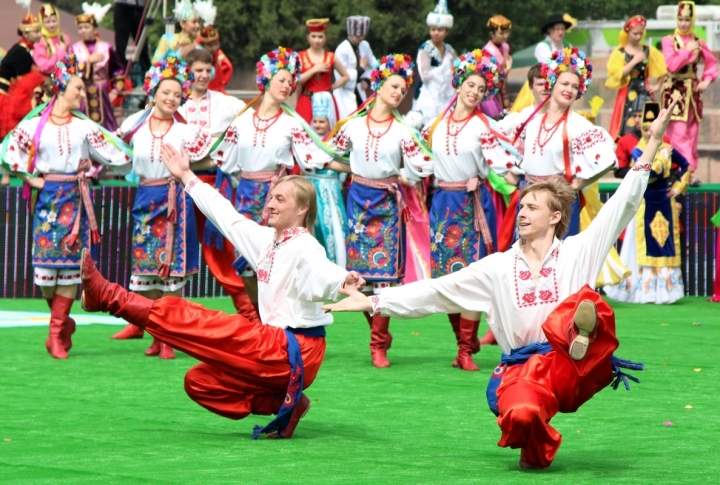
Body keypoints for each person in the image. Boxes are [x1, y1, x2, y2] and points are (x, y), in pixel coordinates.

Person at [324, 97, 678, 470]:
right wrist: (372, 302)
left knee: (590, 307)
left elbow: (622, 203)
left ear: (555, 216)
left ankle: (581, 336)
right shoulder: (497, 267)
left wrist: (651, 142)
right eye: (521, 207)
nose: (522, 212)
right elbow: (436, 291)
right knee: (523, 414)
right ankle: (533, 450)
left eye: (532, 207)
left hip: (569, 368)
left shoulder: (579, 250)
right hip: (521, 370)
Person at [80, 171, 365, 439]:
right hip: (275, 351)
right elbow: (224, 215)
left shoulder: (306, 247)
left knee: (204, 322)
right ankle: (285, 403)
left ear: (302, 209)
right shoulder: (268, 240)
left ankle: (107, 296)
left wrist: (342, 280)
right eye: (272, 197)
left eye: (280, 199)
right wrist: (186, 176)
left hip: (295, 349)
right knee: (199, 381)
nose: (271, 204)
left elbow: (321, 270)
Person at [0, 54, 132, 359]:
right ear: (60, 88)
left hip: (75, 200)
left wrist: (92, 170)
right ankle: (64, 322)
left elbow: (118, 156)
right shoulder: (35, 124)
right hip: (47, 201)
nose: (82, 94)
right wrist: (28, 178)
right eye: (77, 88)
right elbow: (7, 151)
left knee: (72, 269)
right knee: (46, 272)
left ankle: (55, 334)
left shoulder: (85, 128)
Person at [324, 53, 434, 368]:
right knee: (360, 278)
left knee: (385, 278)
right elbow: (329, 155)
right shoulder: (354, 126)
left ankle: (377, 347)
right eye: (394, 86)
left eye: (403, 89)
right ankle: (378, 332)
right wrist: (352, 170)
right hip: (357, 201)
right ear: (378, 86)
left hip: (386, 204)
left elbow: (422, 167)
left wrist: (403, 177)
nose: (399, 93)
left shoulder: (403, 132)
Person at [211, 47, 334, 318]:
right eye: (281, 79)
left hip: (277, 196)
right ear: (266, 80)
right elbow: (222, 160)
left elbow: (318, 157)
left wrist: (353, 165)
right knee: (245, 262)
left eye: (291, 82)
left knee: (278, 259)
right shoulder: (241, 122)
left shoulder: (292, 124)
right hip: (245, 194)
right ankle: (259, 319)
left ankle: (280, 318)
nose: (287, 85)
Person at [423, 49, 522, 370]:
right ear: (458, 84)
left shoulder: (484, 125)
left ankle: (466, 350)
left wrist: (515, 169)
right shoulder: (437, 122)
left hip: (470, 205)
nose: (475, 92)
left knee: (471, 277)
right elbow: (421, 159)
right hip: (441, 204)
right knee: (445, 278)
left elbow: (504, 160)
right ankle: (463, 341)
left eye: (481, 89)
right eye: (471, 85)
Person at [115, 56, 214, 358]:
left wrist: (192, 174)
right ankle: (159, 333)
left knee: (171, 270)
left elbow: (212, 155)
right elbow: (114, 151)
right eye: (166, 92)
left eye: (177, 94)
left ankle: (168, 338)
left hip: (176, 201)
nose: (172, 98)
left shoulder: (186, 130)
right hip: (147, 197)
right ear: (153, 92)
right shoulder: (134, 124)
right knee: (146, 272)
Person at [514, 48, 615, 239]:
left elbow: (608, 159)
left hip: (558, 202)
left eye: (575, 87)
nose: (569, 90)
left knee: (558, 260)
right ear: (552, 83)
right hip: (529, 199)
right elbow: (514, 156)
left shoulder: (578, 125)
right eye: (565, 83)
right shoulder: (532, 122)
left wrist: (577, 183)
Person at [605, 102, 689, 304]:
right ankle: (644, 291)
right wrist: (661, 157)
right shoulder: (637, 151)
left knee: (664, 242)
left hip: (664, 204)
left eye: (652, 127)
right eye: (646, 128)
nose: (649, 132)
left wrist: (678, 187)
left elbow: (686, 166)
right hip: (644, 204)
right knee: (640, 246)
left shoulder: (667, 148)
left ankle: (666, 292)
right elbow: (652, 171)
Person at [661, 0, 718, 186]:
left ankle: (689, 171)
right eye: (680, 19)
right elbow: (671, 65)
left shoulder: (698, 42)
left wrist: (707, 79)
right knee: (678, 135)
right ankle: (684, 172)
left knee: (692, 135)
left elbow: (712, 62)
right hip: (674, 93)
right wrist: (686, 51)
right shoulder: (668, 41)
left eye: (687, 19)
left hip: (693, 95)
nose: (683, 23)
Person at [606, 15, 667, 141]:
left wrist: (657, 85)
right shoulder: (620, 52)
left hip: (644, 91)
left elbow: (663, 68)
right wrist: (634, 61)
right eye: (635, 34)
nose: (638, 37)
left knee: (648, 121)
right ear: (627, 32)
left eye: (640, 33)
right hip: (627, 92)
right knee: (625, 123)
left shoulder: (648, 50)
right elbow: (618, 73)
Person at [306, 92, 347, 267]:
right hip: (311, 185)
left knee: (332, 227)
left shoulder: (336, 141)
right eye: (315, 121)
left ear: (329, 122)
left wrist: (341, 178)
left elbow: (344, 159)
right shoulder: (308, 139)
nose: (317, 125)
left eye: (322, 121)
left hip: (330, 189)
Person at [69, 3, 125, 132]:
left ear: (94, 29)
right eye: (80, 28)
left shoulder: (106, 47)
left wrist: (116, 90)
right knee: (81, 126)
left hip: (102, 91)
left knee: (107, 127)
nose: (83, 30)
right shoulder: (74, 48)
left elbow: (118, 70)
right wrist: (88, 62)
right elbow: (70, 71)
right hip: (82, 92)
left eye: (86, 27)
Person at [510, 13, 574, 113]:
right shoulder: (542, 47)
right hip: (541, 84)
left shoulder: (568, 45)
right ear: (550, 30)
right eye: (557, 29)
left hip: (559, 84)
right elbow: (552, 66)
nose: (560, 32)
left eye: (562, 29)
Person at [410, 0, 457, 125]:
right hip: (428, 92)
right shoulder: (425, 49)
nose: (436, 33)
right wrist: (444, 67)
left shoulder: (449, 49)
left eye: (440, 30)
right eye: (433, 29)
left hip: (445, 93)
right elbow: (425, 76)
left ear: (447, 31)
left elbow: (455, 69)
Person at [295, 19, 350, 125]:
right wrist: (314, 70)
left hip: (326, 101)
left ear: (325, 38)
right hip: (307, 100)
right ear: (308, 37)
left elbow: (346, 76)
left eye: (320, 37)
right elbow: (297, 80)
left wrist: (330, 88)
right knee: (304, 134)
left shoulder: (331, 57)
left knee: (328, 135)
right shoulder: (300, 56)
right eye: (314, 36)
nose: (317, 40)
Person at [0, 13, 45, 140]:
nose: (39, 34)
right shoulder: (22, 53)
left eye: (39, 31)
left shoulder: (20, 48)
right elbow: (23, 85)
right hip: (3, 97)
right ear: (25, 34)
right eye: (36, 32)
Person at [333, 16, 376, 119]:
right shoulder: (342, 49)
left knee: (363, 117)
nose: (360, 38)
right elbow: (341, 76)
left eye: (362, 35)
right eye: (357, 35)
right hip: (344, 92)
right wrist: (360, 69)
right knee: (347, 119)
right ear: (350, 32)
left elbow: (374, 65)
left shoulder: (364, 45)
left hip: (358, 89)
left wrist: (366, 79)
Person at [481, 15, 513, 118]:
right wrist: (507, 69)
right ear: (492, 33)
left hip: (503, 90)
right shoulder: (487, 51)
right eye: (501, 33)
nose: (505, 36)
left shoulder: (505, 47)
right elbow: (493, 75)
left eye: (507, 32)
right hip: (491, 94)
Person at [33, 3, 71, 76]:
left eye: (54, 21)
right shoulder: (39, 41)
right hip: (47, 80)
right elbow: (44, 67)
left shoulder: (64, 38)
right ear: (42, 23)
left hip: (66, 77)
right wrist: (61, 53)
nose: (51, 25)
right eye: (47, 22)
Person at [113, 0, 151, 74]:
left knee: (142, 42)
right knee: (121, 42)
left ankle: (147, 71)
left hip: (139, 7)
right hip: (123, 7)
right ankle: (121, 71)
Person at [198, 26, 232, 94]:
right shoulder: (197, 56)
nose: (214, 48)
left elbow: (228, 67)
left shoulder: (219, 55)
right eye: (210, 45)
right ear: (203, 45)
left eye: (216, 44)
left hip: (218, 92)